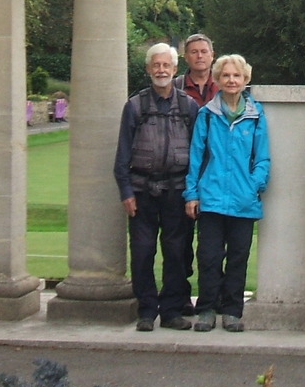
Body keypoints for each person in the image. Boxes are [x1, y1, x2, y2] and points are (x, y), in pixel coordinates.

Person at [114, 43, 200, 332]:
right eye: (156, 65)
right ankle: (147, 311)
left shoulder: (189, 107)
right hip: (142, 191)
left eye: (166, 66)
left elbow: (200, 154)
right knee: (142, 252)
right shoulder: (135, 106)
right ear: (149, 69)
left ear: (175, 70)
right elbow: (122, 153)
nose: (161, 70)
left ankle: (172, 311)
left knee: (176, 253)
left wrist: (194, 193)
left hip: (178, 191)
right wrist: (126, 191)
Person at [184, 54, 270, 333]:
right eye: (226, 76)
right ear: (217, 80)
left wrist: (254, 185)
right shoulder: (207, 116)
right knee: (208, 256)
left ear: (246, 80)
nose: (231, 80)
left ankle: (232, 311)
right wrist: (192, 194)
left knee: (237, 257)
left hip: (243, 202)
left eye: (237, 76)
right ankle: (207, 309)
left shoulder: (256, 116)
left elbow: (263, 158)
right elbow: (196, 157)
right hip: (210, 200)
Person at [175, 32, 218, 313]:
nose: (199, 55)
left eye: (204, 51)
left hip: (216, 175)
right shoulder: (176, 87)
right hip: (182, 172)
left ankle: (211, 301)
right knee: (180, 243)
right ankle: (179, 300)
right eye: (194, 51)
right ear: (186, 57)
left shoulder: (226, 84)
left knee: (212, 247)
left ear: (212, 55)